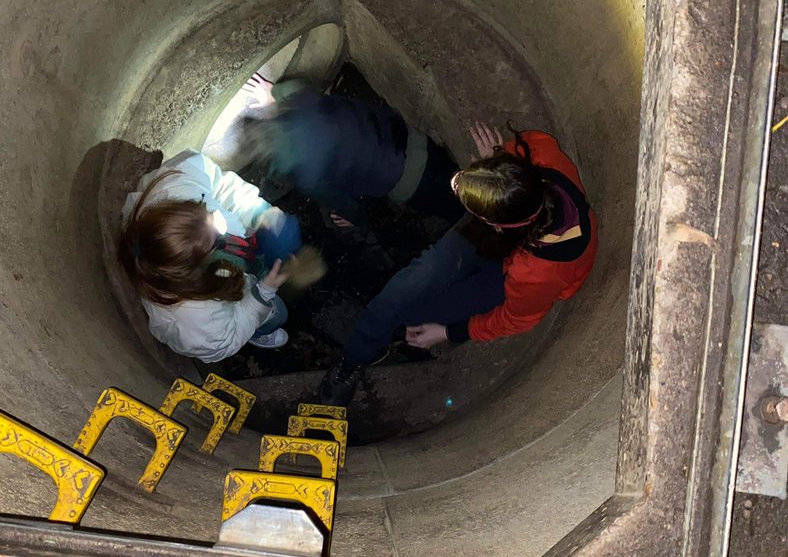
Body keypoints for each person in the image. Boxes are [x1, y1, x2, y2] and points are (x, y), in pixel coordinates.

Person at [320, 123, 598, 403]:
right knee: (410, 286)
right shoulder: (538, 150)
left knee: (416, 320)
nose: (456, 183)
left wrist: (449, 332)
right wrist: (497, 160)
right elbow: (511, 174)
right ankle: (354, 358)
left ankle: (403, 334)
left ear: (494, 224)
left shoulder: (540, 273)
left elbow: (517, 318)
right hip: (515, 239)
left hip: (516, 270)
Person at [120, 149, 304, 363]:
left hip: (225, 271)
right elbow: (222, 345)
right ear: (193, 268)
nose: (221, 227)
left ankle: (262, 272)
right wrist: (263, 292)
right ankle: (259, 331)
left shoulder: (176, 187)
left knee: (284, 232)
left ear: (186, 207)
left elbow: (216, 182)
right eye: (215, 241)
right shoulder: (193, 318)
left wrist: (257, 212)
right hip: (226, 303)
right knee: (278, 314)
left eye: (209, 214)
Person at [236, 75, 462, 229]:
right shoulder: (305, 105)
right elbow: (302, 88)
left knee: (454, 208)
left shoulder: (307, 177)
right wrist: (274, 91)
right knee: (465, 182)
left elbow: (349, 207)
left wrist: (357, 221)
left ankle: (476, 226)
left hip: (409, 184)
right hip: (416, 141)